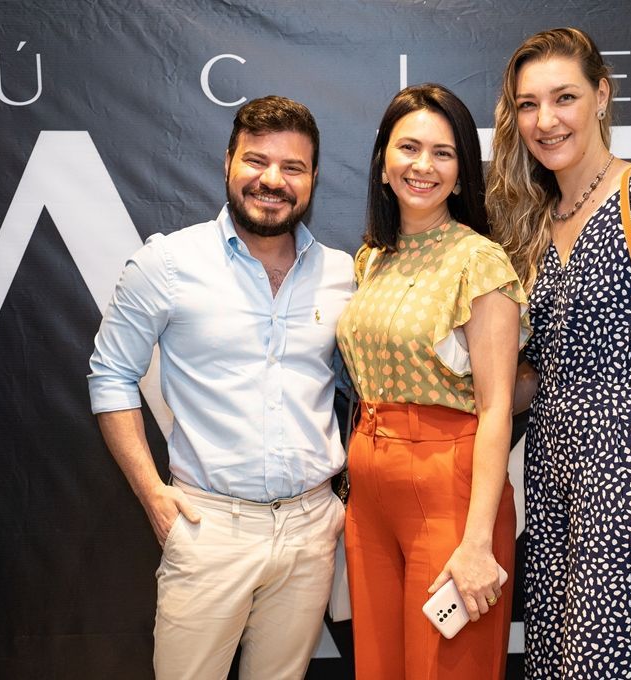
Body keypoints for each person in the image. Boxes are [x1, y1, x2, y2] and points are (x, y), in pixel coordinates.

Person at [87, 95, 354, 680]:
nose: (272, 180)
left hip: (312, 530)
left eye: (292, 167)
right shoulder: (167, 263)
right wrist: (152, 495)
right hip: (209, 528)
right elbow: (110, 376)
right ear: (228, 161)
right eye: (256, 160)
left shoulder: (343, 274)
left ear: (313, 179)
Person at [487, 28, 631, 679]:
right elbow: (538, 374)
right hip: (552, 476)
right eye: (528, 104)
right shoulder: (532, 223)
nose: (546, 120)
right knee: (559, 659)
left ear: (602, 96)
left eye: (564, 97)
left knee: (614, 660)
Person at [336, 83, 529, 679]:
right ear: (383, 162)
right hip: (368, 487)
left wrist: (477, 542)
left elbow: (496, 408)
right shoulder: (373, 258)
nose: (423, 166)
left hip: (450, 487)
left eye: (443, 153)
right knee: (379, 667)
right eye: (409, 148)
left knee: (445, 667)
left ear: (463, 171)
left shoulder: (480, 262)